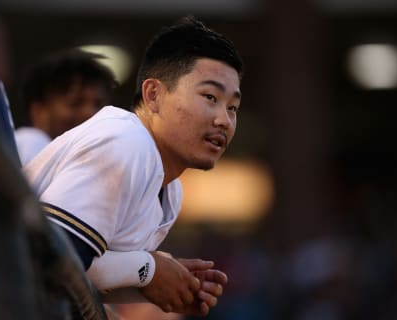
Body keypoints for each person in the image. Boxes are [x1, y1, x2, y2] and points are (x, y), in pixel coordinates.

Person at [24, 15, 243, 317]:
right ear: (153, 95)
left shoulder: (171, 188)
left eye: (232, 107)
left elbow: (82, 270)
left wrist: (162, 286)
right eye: (209, 97)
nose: (224, 119)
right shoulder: (126, 141)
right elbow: (44, 256)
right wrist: (149, 269)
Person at [15, 49, 117, 166]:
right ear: (38, 111)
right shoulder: (30, 142)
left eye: (98, 105)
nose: (91, 113)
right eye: (75, 103)